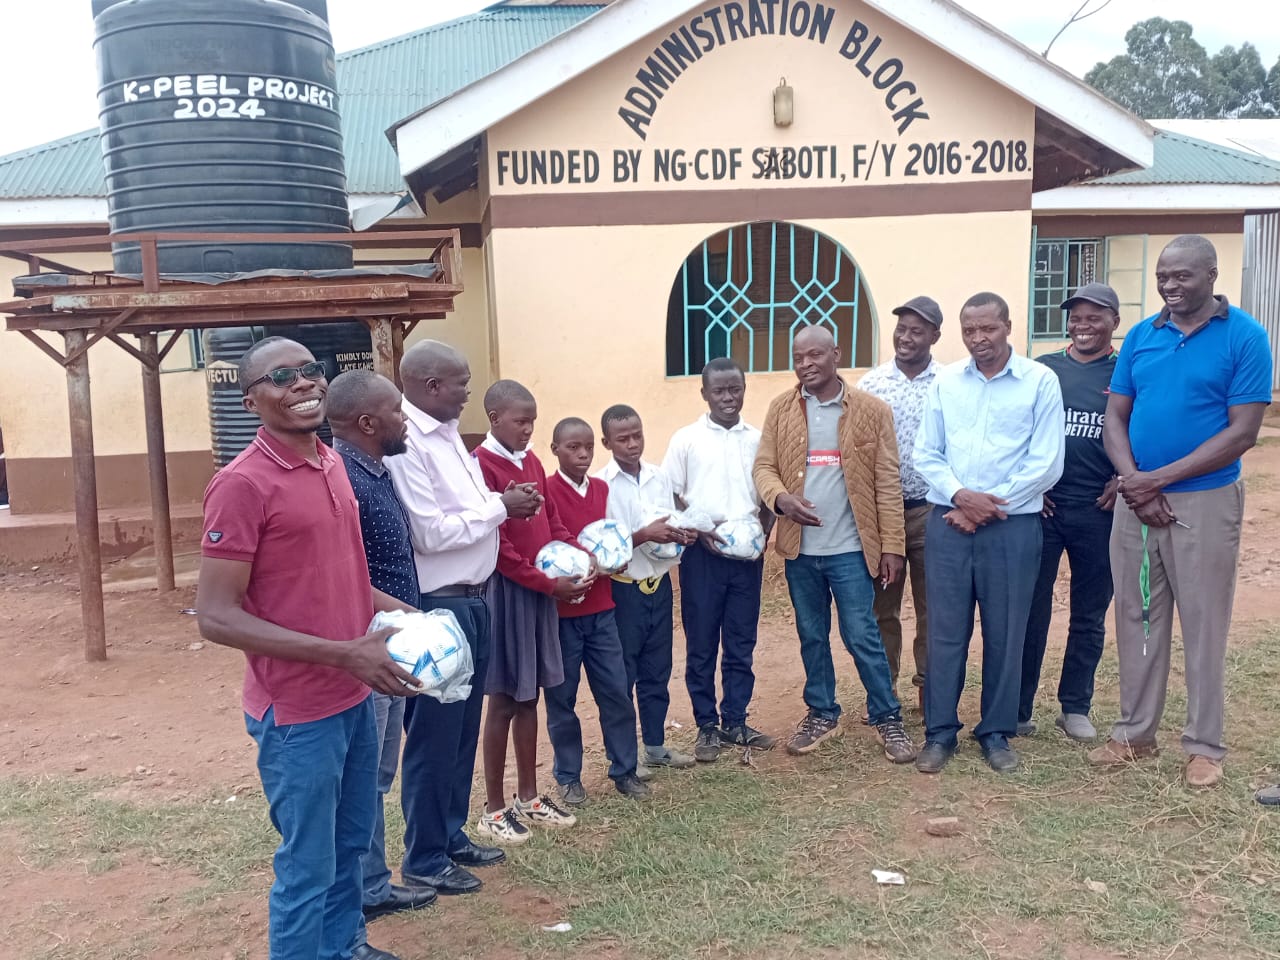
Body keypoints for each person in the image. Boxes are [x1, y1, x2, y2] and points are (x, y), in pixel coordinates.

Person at [196, 337, 420, 960]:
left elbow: (339, 569)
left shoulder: (331, 462)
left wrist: (396, 610)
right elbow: (215, 616)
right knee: (308, 864)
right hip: (297, 713)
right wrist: (345, 654)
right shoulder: (241, 484)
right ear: (251, 400)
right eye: (280, 377)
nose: (301, 383)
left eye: (309, 370)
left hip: (353, 696)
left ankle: (346, 946)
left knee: (352, 843)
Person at [1088, 235, 1272, 789]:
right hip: (1137, 504)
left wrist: (1157, 479)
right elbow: (1114, 418)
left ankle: (1203, 746)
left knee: (1203, 622)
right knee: (1138, 616)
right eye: (1163, 276)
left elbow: (1243, 432)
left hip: (1205, 500)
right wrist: (1132, 483)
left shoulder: (1245, 337)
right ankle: (1135, 735)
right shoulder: (1144, 335)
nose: (1169, 285)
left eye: (1181, 276)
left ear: (1212, 275)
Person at [384, 341, 543, 895]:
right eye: (461, 382)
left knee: (460, 730)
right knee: (433, 735)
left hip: (476, 598)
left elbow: (469, 512)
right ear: (430, 386)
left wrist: (498, 501)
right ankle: (424, 857)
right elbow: (430, 532)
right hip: (439, 603)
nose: (468, 392)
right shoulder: (406, 443)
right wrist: (502, 507)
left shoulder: (449, 435)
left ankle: (450, 836)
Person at [913, 292, 1065, 775]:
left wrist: (984, 506)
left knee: (1006, 631)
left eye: (988, 329)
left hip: (1012, 527)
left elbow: (1046, 463)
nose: (979, 339)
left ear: (1008, 327)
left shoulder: (1040, 382)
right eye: (970, 331)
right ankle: (939, 732)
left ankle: (996, 732)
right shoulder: (946, 383)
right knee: (945, 633)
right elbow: (926, 453)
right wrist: (961, 497)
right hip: (949, 524)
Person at [752, 325, 916, 763]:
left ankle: (887, 717)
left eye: (814, 355)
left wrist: (892, 546)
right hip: (801, 550)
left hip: (850, 550)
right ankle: (822, 712)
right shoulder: (782, 409)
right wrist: (781, 499)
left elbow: (886, 481)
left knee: (862, 633)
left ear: (835, 354)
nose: (805, 364)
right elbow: (764, 467)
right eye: (798, 356)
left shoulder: (870, 410)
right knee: (811, 634)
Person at [327, 370, 438, 950]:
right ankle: (361, 888)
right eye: (397, 411)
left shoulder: (377, 469)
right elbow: (349, 575)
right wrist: (409, 618)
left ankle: (372, 881)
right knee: (364, 776)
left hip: (393, 639)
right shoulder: (343, 476)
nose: (405, 420)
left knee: (378, 773)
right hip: (368, 647)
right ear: (368, 423)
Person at [473, 380, 584, 842]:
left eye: (532, 421)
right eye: (521, 421)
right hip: (508, 593)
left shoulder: (532, 460)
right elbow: (497, 547)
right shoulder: (480, 466)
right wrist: (546, 582)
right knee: (503, 698)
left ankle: (530, 796)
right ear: (495, 418)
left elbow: (551, 521)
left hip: (540, 591)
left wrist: (574, 558)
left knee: (530, 693)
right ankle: (494, 808)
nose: (528, 429)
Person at [1018, 283, 1122, 743]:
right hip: (1044, 509)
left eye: (1093, 318)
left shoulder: (1126, 372)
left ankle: (1075, 706)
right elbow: (1018, 432)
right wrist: (1030, 487)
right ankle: (1018, 709)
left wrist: (1125, 480)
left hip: (1099, 512)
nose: (1082, 326)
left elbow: (1144, 429)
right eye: (1076, 318)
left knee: (1089, 613)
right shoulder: (1044, 371)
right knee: (1029, 610)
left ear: (1114, 322)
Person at [662, 357, 774, 763]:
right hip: (702, 557)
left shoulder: (758, 439)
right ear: (704, 393)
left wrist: (762, 533)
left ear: (744, 389)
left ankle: (736, 720)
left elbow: (768, 492)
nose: (728, 397)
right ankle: (706, 725)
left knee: (742, 640)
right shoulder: (686, 440)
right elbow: (672, 493)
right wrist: (697, 528)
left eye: (735, 389)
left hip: (747, 557)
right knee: (702, 640)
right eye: (719, 390)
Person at [543, 416, 651, 803]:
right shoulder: (547, 491)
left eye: (588, 446)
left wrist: (616, 558)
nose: (583, 454)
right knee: (562, 698)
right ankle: (568, 776)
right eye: (573, 447)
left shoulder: (603, 488)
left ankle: (625, 769)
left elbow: (612, 538)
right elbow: (549, 545)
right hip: (562, 616)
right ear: (555, 449)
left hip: (603, 609)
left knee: (616, 692)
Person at [598, 403, 698, 776]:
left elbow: (672, 521)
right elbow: (603, 547)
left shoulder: (659, 477)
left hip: (659, 587)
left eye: (637, 435)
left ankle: (655, 745)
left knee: (658, 670)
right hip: (623, 591)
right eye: (622, 439)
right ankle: (624, 757)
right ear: (607, 442)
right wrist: (642, 536)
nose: (632, 444)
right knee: (623, 674)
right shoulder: (600, 484)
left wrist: (681, 533)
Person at [856, 296, 944, 716]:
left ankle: (929, 688)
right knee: (882, 608)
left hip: (932, 511)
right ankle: (884, 692)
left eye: (917, 331)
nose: (906, 338)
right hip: (882, 515)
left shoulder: (949, 383)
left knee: (933, 606)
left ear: (935, 337)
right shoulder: (871, 386)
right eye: (901, 329)